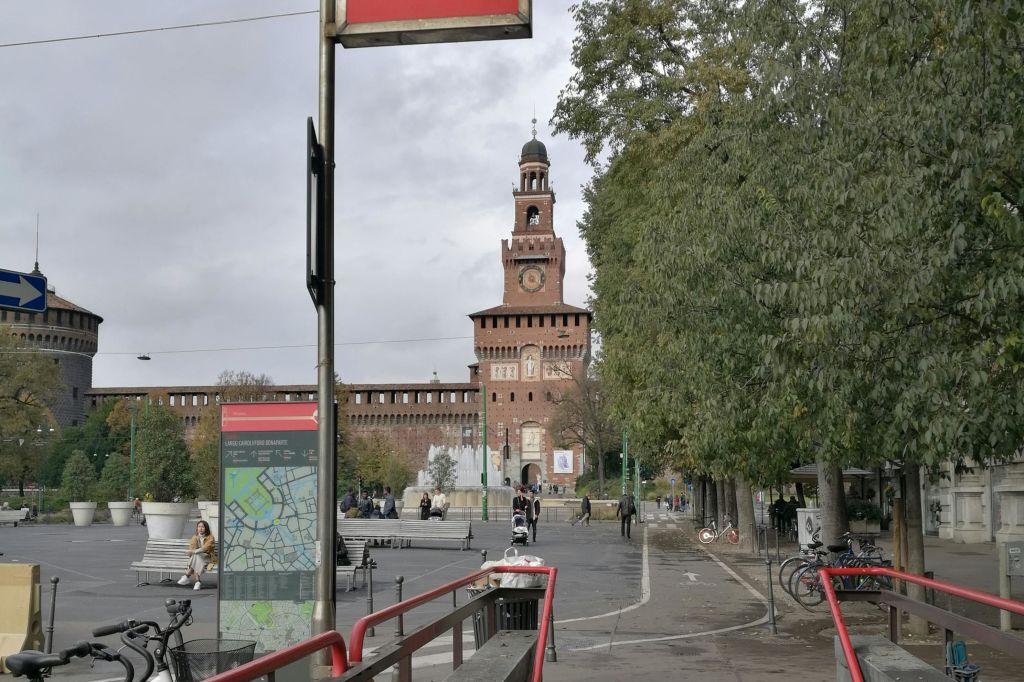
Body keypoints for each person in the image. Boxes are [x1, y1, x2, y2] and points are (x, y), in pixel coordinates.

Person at [178, 520, 216, 591]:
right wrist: (192, 552)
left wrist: (193, 552)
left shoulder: (210, 537)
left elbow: (205, 548)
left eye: (202, 527)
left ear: (206, 528)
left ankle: (187, 576)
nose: (200, 528)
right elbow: (192, 548)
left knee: (196, 556)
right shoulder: (195, 537)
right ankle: (197, 582)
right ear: (197, 528)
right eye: (199, 527)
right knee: (196, 557)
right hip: (198, 558)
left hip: (208, 558)